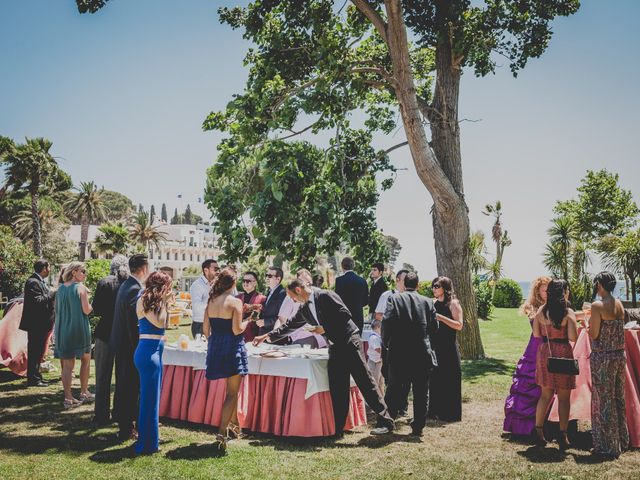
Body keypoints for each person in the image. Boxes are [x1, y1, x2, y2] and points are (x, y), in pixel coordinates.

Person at [254, 280, 395, 437]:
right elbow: (289, 326)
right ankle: (338, 429)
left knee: (365, 381)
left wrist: (325, 328)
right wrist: (267, 336)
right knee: (337, 386)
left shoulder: (326, 295)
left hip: (349, 342)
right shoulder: (304, 308)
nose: (292, 300)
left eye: (292, 296)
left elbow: (345, 314)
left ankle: (386, 421)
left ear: (299, 290)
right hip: (334, 346)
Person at [382, 272, 439, 436]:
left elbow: (386, 322)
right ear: (418, 285)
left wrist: (387, 342)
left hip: (399, 351)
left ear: (404, 283)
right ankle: (418, 425)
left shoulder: (395, 299)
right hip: (422, 351)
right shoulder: (428, 302)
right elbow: (434, 327)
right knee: (421, 391)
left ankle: (388, 421)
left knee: (393, 388)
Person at [204, 268, 250, 449]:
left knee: (230, 391)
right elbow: (237, 329)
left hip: (215, 346)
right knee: (232, 393)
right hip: (232, 347)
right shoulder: (235, 302)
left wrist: (216, 341)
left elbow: (206, 331)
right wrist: (250, 320)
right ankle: (221, 433)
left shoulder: (211, 301)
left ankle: (235, 427)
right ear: (232, 283)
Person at [587, 271, 629, 459]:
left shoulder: (597, 306)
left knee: (602, 400)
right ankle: (621, 440)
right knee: (618, 397)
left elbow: (594, 334)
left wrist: (585, 323)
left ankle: (605, 446)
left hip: (603, 358)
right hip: (619, 356)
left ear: (599, 285)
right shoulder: (619, 303)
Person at [532, 279, 578, 451]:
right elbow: (573, 337)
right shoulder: (568, 312)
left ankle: (539, 431)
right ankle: (563, 435)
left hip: (545, 352)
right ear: (563, 292)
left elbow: (536, 334)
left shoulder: (541, 311)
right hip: (563, 353)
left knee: (545, 395)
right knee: (564, 398)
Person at [503, 276, 552, 437]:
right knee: (530, 384)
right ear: (537, 291)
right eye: (545, 289)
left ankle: (547, 423)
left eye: (550, 289)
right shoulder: (533, 307)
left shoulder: (552, 306)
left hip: (547, 346)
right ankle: (524, 426)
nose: (548, 292)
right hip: (535, 348)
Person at [110, 253, 150, 442]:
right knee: (130, 387)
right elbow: (133, 323)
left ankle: (124, 423)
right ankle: (126, 426)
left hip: (120, 344)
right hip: (129, 346)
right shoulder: (134, 289)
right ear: (143, 269)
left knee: (124, 385)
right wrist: (138, 348)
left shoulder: (127, 285)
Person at [134, 271, 172, 455]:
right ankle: (146, 443)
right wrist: (164, 302)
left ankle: (150, 441)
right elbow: (160, 323)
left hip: (155, 350)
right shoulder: (143, 300)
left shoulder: (153, 301)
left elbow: (167, 323)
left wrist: (165, 302)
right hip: (148, 352)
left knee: (152, 399)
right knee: (149, 401)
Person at [91, 254, 130, 425]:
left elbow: (97, 310)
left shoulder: (104, 282)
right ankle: (120, 413)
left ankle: (101, 415)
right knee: (122, 378)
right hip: (123, 335)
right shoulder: (129, 284)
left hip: (105, 332)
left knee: (102, 377)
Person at [54, 261, 94, 409]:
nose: (84, 274)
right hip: (79, 328)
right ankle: (84, 391)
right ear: (74, 272)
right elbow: (86, 310)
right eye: (82, 271)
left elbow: (57, 311)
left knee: (67, 366)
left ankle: (68, 398)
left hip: (63, 328)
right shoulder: (81, 288)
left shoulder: (60, 289)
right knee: (86, 359)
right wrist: (93, 303)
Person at [428, 276, 464, 422]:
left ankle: (450, 413)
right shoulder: (432, 303)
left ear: (445, 288)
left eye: (437, 286)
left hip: (448, 346)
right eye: (433, 286)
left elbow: (459, 325)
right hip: (435, 346)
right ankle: (434, 410)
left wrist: (441, 318)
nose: (434, 289)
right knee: (435, 379)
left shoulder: (453, 304)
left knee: (450, 379)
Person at [374, 269, 410, 415]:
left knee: (407, 374)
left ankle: (403, 405)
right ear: (397, 280)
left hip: (407, 341)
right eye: (404, 280)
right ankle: (392, 405)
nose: (406, 283)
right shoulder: (387, 295)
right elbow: (378, 314)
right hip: (390, 340)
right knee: (390, 373)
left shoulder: (411, 297)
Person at [19, 259, 55, 387]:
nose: (50, 270)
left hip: (42, 324)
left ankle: (37, 376)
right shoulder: (32, 282)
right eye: (49, 267)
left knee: (39, 352)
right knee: (34, 351)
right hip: (36, 324)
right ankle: (33, 379)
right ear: (44, 268)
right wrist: (51, 293)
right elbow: (38, 301)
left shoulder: (39, 281)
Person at [274, 269, 327, 348]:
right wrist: (274, 336)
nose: (305, 285)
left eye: (308, 283)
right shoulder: (290, 297)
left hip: (323, 338)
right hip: (302, 338)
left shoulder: (319, 294)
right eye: (302, 282)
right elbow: (282, 319)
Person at [335, 257, 369, 333]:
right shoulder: (362, 281)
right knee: (358, 341)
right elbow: (366, 301)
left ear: (342, 266)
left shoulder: (339, 281)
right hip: (358, 316)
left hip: (344, 317)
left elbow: (337, 300)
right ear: (353, 266)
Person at [189, 259, 219, 339]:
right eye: (215, 269)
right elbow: (197, 307)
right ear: (206, 270)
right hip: (200, 324)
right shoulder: (197, 285)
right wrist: (215, 305)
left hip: (214, 323)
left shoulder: (215, 283)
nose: (218, 272)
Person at [237, 271, 266, 342]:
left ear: (255, 283)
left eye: (248, 281)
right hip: (237, 334)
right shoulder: (237, 298)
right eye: (243, 281)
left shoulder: (262, 298)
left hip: (253, 335)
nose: (245, 283)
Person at [258, 266, 286, 335]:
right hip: (263, 333)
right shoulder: (269, 291)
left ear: (278, 279)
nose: (267, 278)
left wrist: (266, 322)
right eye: (266, 275)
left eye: (270, 276)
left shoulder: (283, 293)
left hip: (274, 334)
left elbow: (283, 317)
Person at [367, 319, 384, 395]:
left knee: (380, 383)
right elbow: (378, 349)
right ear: (378, 327)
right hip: (374, 362)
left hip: (379, 361)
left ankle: (383, 400)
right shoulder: (374, 337)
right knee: (374, 382)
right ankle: (375, 401)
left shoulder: (378, 336)